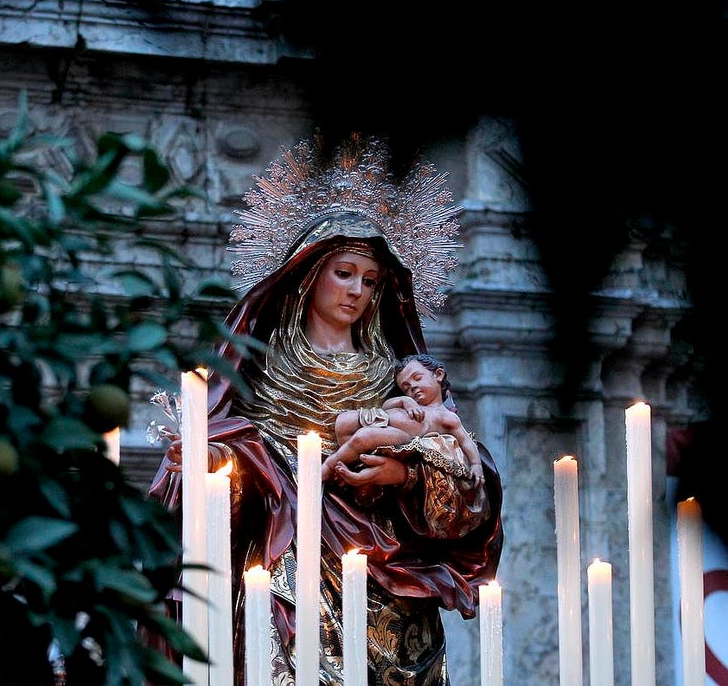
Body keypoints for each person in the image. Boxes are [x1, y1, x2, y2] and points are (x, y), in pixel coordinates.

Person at [147, 132, 503, 685]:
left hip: (383, 565)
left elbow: (462, 471)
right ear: (309, 275)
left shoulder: (399, 375)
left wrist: (406, 474)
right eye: (344, 273)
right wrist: (220, 462)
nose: (357, 290)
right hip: (284, 550)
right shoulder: (261, 364)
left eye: (371, 280)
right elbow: (221, 459)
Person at [322, 353, 485, 487]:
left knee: (363, 437)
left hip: (403, 436)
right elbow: (386, 406)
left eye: (417, 378)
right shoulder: (408, 402)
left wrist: (476, 465)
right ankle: (352, 462)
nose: (412, 387)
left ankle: (329, 466)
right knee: (343, 421)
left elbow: (465, 441)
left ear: (438, 375)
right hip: (380, 418)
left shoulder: (446, 416)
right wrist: (405, 401)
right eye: (406, 387)